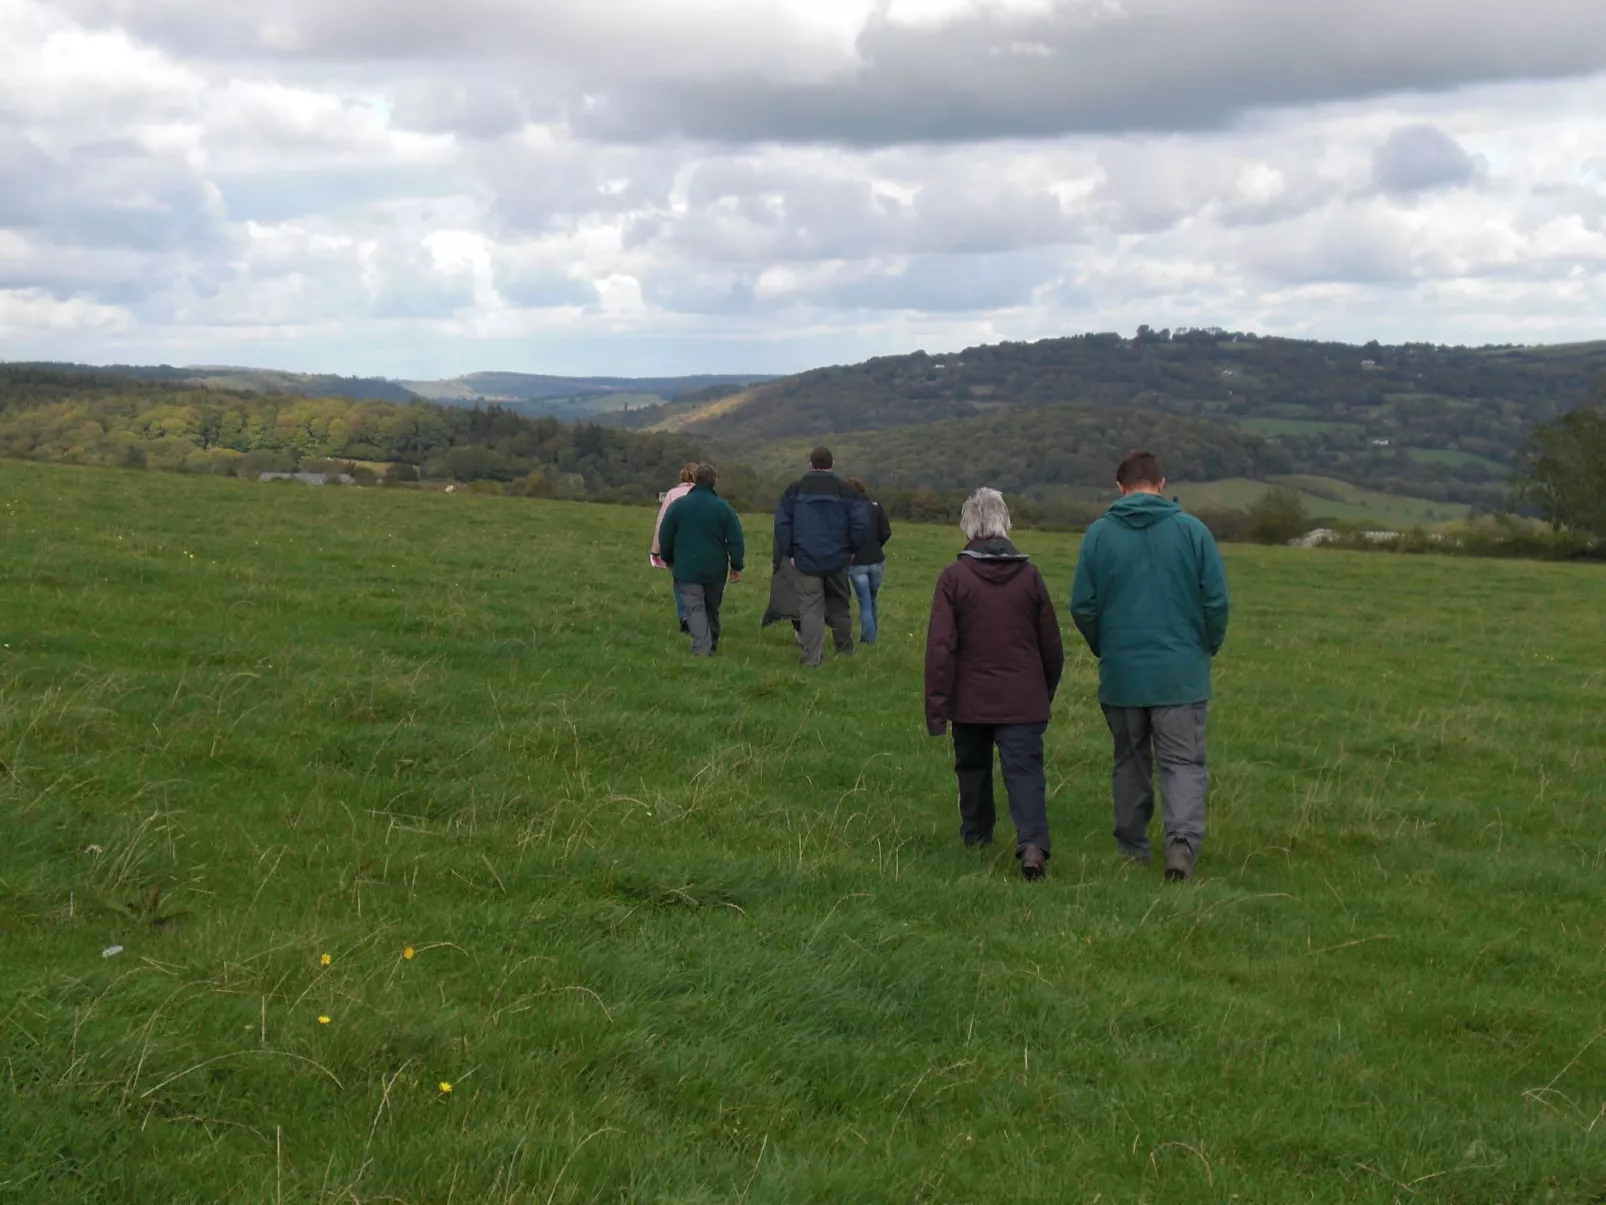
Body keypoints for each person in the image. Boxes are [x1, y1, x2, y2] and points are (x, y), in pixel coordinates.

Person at [1070, 450, 1230, 882]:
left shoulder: (1099, 535)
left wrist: (1108, 646)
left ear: (1120, 488)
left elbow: (1083, 606)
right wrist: (1205, 647)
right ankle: (1181, 847)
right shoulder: (1194, 532)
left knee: (1129, 761)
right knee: (1182, 764)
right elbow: (1216, 601)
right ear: (1162, 485)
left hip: (1122, 674)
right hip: (1181, 673)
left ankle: (1132, 848)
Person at [925, 489, 1064, 881]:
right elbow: (1051, 644)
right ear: (1004, 524)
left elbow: (940, 648)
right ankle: (1033, 845)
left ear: (968, 527)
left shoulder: (953, 578)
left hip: (969, 698)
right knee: (1025, 772)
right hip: (1023, 697)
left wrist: (937, 710)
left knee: (972, 768)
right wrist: (1043, 692)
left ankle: (975, 837)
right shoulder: (1030, 576)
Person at [774, 447, 868, 668]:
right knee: (840, 605)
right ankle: (845, 652)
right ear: (832, 465)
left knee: (810, 608)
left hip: (805, 559)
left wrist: (790, 552)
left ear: (811, 464)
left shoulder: (795, 490)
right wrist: (852, 549)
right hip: (837, 559)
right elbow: (861, 522)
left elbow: (781, 523)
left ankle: (811, 658)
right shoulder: (845, 490)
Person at [658, 463, 745, 657]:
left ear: (695, 480)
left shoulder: (679, 506)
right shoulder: (724, 508)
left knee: (694, 608)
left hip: (687, 568)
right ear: (714, 482)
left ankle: (701, 648)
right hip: (715, 569)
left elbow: (665, 535)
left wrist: (667, 558)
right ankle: (711, 643)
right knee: (712, 607)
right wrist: (737, 565)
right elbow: (736, 539)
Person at [844, 476, 892, 645]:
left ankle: (868, 640)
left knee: (864, 601)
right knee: (872, 599)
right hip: (877, 560)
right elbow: (886, 532)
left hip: (857, 562)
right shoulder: (876, 507)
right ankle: (872, 635)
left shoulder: (847, 509)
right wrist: (876, 545)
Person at [651, 463, 699, 633]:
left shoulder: (672, 494)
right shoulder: (706, 495)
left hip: (678, 546)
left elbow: (662, 523)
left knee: (679, 583)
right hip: (701, 545)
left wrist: (656, 550)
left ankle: (685, 617)